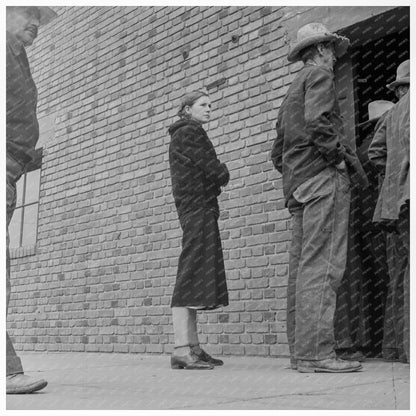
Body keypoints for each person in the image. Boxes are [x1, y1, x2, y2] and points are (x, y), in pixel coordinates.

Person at [271, 22, 368, 373]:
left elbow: (276, 152)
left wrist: (298, 175)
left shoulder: (291, 91)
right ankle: (318, 354)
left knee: (302, 269)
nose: (335, 59)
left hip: (298, 187)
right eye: (332, 52)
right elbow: (319, 123)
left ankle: (302, 354)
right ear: (324, 50)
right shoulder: (320, 77)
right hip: (323, 180)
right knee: (324, 267)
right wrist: (336, 159)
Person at [6, 6, 58, 394]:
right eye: (29, 12)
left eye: (40, 17)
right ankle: (7, 370)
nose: (36, 22)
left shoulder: (16, 56)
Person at [168, 90, 230, 369]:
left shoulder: (186, 132)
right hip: (198, 208)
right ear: (187, 109)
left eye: (210, 105)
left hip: (198, 208)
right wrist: (223, 172)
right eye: (203, 105)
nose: (209, 109)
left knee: (194, 275)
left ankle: (192, 346)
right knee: (190, 273)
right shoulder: (189, 132)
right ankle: (182, 349)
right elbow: (213, 168)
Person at [334, 100, 394, 361]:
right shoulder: (377, 145)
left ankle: (372, 341)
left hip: (363, 223)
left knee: (373, 283)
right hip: (377, 223)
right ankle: (386, 342)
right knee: (387, 280)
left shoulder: (363, 146)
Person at [368, 60, 410, 363]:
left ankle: (399, 347)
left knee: (400, 275)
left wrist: (396, 176)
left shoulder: (392, 113)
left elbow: (376, 153)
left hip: (395, 207)